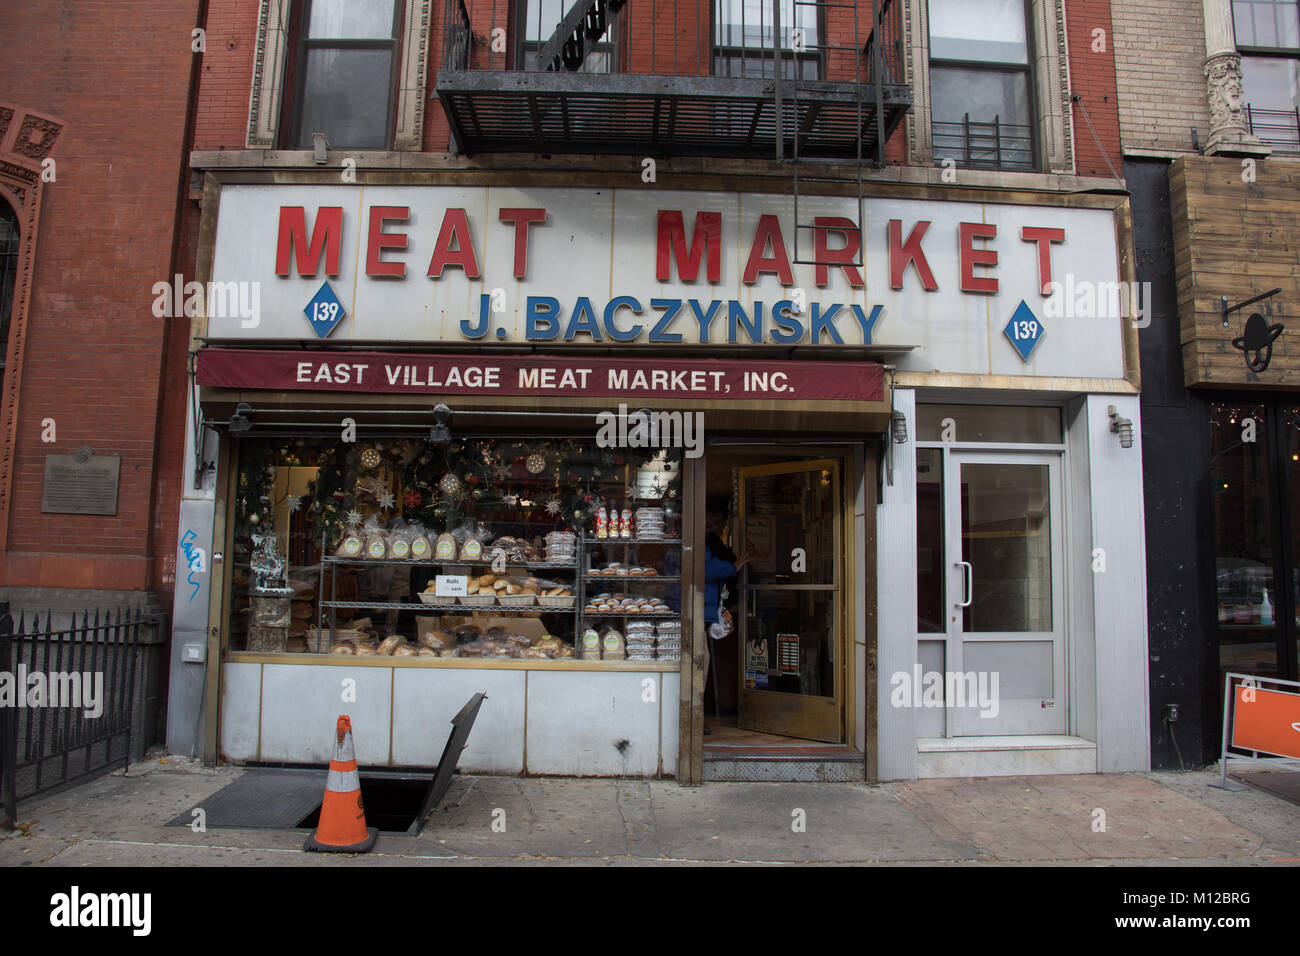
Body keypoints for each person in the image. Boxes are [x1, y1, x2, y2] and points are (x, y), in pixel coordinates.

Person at [703, 513, 750, 734]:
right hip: (700, 607)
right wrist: (734, 567)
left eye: (710, 521)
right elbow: (709, 568)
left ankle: (694, 713)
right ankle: (694, 715)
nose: (709, 525)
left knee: (700, 659)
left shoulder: (700, 541)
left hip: (700, 606)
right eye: (707, 521)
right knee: (700, 661)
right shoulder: (699, 542)